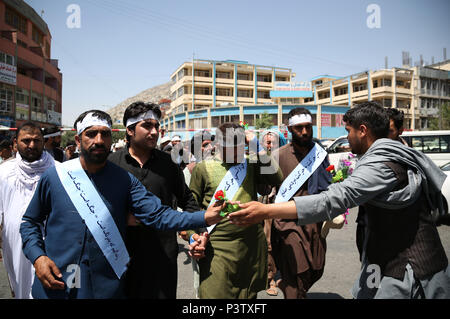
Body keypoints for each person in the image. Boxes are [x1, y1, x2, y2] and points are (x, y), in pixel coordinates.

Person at [228, 101, 450, 299]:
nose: (347, 137)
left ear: (362, 131)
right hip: (298, 227)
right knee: (295, 273)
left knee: (314, 267)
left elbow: (336, 196)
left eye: (348, 131)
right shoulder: (391, 153)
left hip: (408, 267)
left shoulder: (381, 164)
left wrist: (265, 211)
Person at [19, 110, 224, 299]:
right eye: (91, 134)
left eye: (104, 134)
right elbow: (29, 222)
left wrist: (204, 217)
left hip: (104, 286)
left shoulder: (124, 180)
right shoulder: (55, 176)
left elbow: (158, 215)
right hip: (59, 279)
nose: (99, 140)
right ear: (78, 140)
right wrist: (38, 258)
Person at [108, 102, 201, 299]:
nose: (154, 132)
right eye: (147, 126)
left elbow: (187, 199)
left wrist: (198, 232)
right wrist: (122, 218)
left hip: (163, 257)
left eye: (157, 126)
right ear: (130, 130)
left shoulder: (169, 163)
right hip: (121, 256)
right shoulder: (111, 164)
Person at [187, 122, 283, 299]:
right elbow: (191, 207)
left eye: (240, 147)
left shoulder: (250, 164)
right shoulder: (203, 168)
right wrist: (194, 236)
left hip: (249, 246)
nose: (236, 153)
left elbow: (277, 176)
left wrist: (255, 142)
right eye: (229, 147)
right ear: (218, 145)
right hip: (217, 246)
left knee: (247, 296)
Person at [267, 108, 330, 299]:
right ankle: (291, 288)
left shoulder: (320, 154)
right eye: (299, 128)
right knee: (297, 272)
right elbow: (265, 189)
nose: (304, 132)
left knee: (315, 268)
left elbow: (328, 183)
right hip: (287, 223)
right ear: (289, 130)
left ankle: (289, 285)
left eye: (308, 127)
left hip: (313, 220)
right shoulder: (278, 156)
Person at [0, 122, 55, 298]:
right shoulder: (3, 172)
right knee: (20, 287)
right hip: (14, 242)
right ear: (15, 143)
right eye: (26, 140)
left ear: (43, 142)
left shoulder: (59, 170)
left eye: (36, 140)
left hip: (51, 243)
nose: (32, 145)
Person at [258, 129, 286, 296]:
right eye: (266, 142)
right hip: (266, 205)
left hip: (285, 206)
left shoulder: (285, 158)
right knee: (268, 242)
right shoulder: (258, 160)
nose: (269, 145)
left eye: (272, 142)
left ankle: (283, 273)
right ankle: (270, 278)